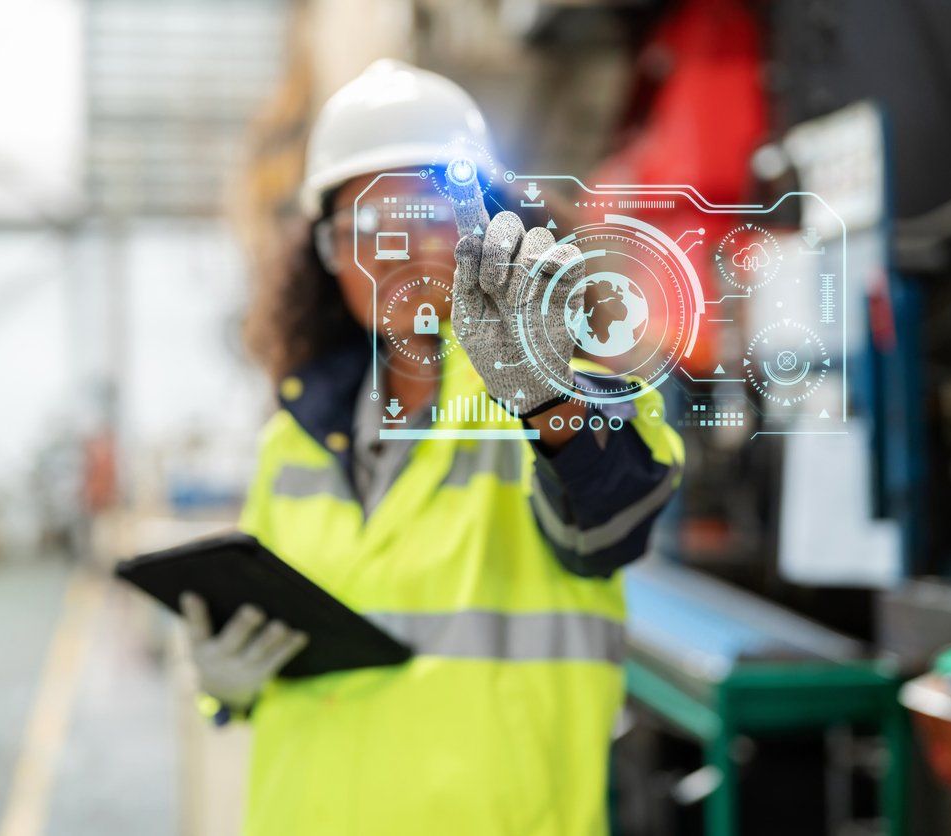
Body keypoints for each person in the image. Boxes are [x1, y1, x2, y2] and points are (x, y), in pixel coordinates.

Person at [178, 60, 684, 835]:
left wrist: (541, 394)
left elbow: (613, 516)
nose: (396, 250)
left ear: (486, 230)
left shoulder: (553, 394)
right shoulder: (293, 438)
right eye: (363, 227)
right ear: (325, 251)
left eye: (425, 214)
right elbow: (262, 626)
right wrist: (227, 682)